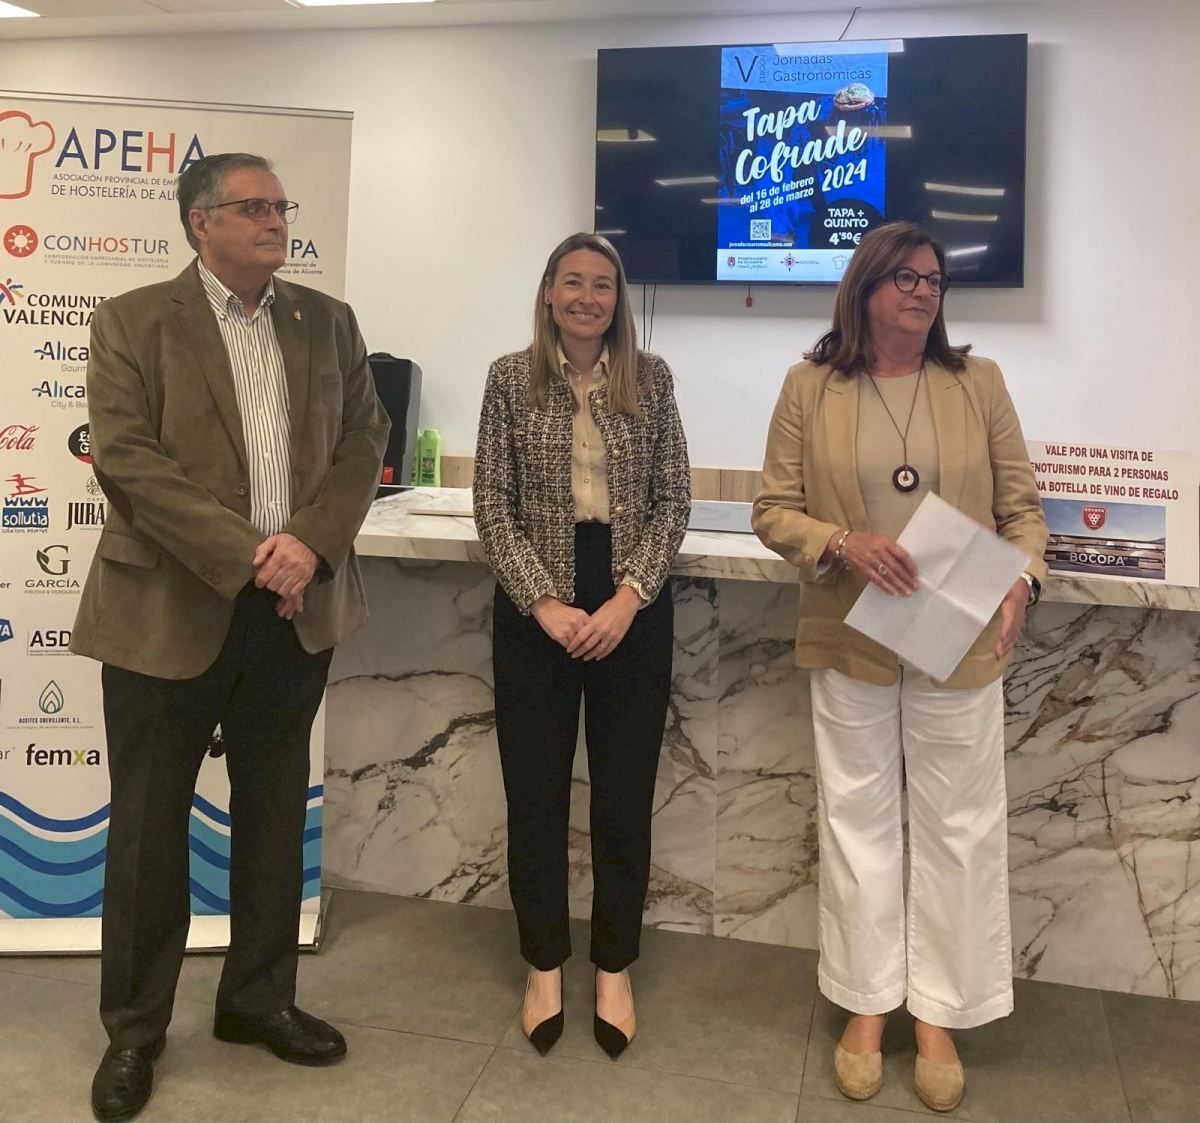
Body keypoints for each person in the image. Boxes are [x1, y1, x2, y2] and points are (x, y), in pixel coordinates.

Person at [72, 152, 390, 1122]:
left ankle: (258, 999)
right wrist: (255, 553)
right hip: (169, 610)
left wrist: (310, 546)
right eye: (253, 207)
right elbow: (129, 461)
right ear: (199, 223)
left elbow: (364, 441)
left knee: (272, 815)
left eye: (280, 206)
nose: (275, 220)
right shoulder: (131, 320)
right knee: (147, 829)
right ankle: (135, 1029)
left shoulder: (327, 321)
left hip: (295, 613)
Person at [752, 221, 1047, 1113]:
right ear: (866, 286)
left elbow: (1022, 510)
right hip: (853, 635)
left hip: (959, 642)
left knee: (960, 826)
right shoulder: (809, 386)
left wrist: (1023, 582)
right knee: (858, 823)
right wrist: (841, 540)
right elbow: (773, 510)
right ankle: (867, 1005)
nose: (923, 292)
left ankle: (940, 1016)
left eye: (933, 279)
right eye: (906, 278)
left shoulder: (978, 382)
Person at [473, 232, 691, 1060]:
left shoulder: (651, 379)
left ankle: (613, 965)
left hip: (631, 602)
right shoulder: (509, 379)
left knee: (623, 795)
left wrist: (628, 597)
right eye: (573, 282)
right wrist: (545, 604)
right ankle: (542, 964)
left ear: (618, 299)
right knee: (534, 794)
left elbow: (674, 501)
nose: (588, 297)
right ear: (548, 292)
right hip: (537, 606)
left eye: (603, 284)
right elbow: (492, 504)